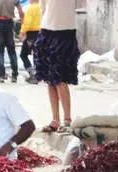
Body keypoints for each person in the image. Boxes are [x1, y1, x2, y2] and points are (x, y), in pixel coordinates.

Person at [35, 0, 79, 133]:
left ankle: (67, 120)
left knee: (60, 79)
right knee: (50, 80)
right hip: (47, 29)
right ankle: (55, 119)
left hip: (66, 31)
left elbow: (79, 5)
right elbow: (42, 7)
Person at [0, 0, 23, 83]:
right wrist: (23, 27)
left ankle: (2, 74)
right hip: (9, 24)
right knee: (12, 51)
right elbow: (20, 12)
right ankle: (14, 74)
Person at [19, 0, 40, 84]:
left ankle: (33, 74)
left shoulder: (31, 8)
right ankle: (38, 75)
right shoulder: (41, 8)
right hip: (41, 33)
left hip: (31, 34)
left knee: (23, 55)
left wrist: (22, 32)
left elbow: (27, 23)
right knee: (37, 55)